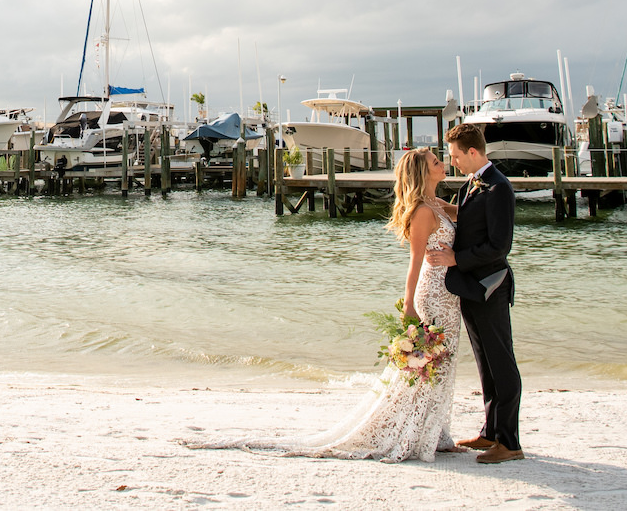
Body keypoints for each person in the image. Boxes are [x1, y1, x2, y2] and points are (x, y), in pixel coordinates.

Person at [185, 146, 463, 463]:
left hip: (449, 295)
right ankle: (417, 432)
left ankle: (436, 431)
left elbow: (468, 212)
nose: (442, 165)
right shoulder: (423, 212)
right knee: (425, 365)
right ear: (422, 173)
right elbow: (414, 263)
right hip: (432, 294)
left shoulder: (436, 205)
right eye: (436, 162)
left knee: (442, 361)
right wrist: (409, 306)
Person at [427, 121, 524, 463]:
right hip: (469, 286)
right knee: (485, 363)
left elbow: (500, 246)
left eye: (455, 156)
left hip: (490, 286)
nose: (452, 162)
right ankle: (490, 432)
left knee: (502, 363)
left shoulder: (499, 189)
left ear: (472, 152)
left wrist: (456, 257)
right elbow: (473, 223)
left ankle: (510, 443)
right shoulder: (471, 183)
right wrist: (448, 209)